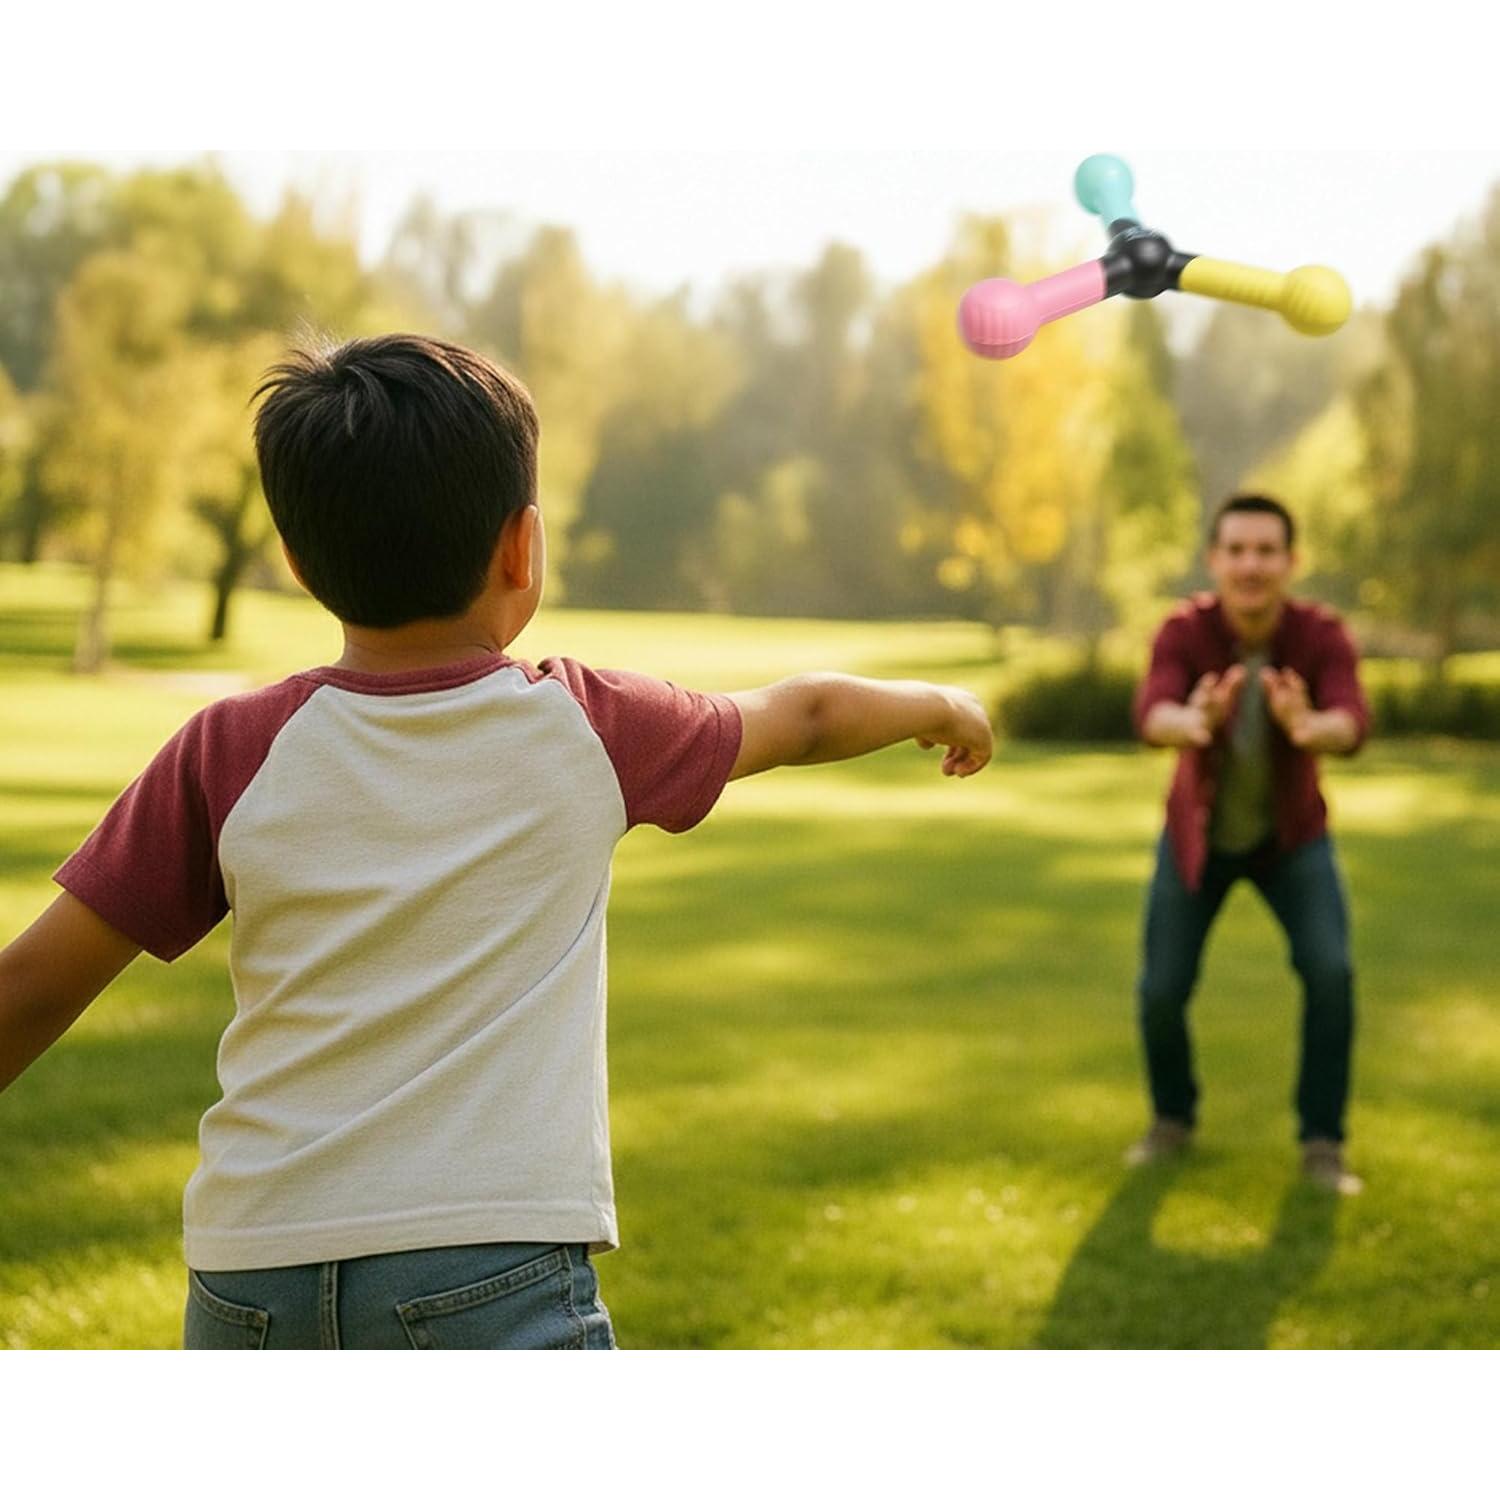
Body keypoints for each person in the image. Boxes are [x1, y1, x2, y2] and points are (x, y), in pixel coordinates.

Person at [0, 333, 993, 1348]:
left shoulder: (228, 750)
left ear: (298, 562)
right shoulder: (586, 725)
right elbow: (811, 713)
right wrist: (943, 701)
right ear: (524, 547)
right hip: (490, 1270)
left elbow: (28, 988)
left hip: (253, 1277)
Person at [1127, 493, 1369, 1194]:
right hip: (1196, 841)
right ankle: (1172, 1118)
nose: (1251, 564)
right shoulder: (1183, 631)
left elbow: (1351, 717)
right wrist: (1190, 720)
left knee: (1331, 975)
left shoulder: (1320, 635)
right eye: (1236, 550)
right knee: (1162, 991)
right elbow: (1154, 710)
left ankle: (1322, 1143)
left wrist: (1311, 727)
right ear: (1214, 560)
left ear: (1291, 562)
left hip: (1292, 841)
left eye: (1266, 551)